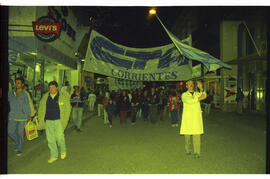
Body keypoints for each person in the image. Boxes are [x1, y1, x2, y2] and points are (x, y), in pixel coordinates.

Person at [38, 81, 71, 163]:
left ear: (57, 88)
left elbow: (68, 109)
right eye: (50, 88)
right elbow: (41, 109)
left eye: (53, 87)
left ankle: (63, 150)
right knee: (50, 139)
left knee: (60, 138)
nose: (51, 89)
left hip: (59, 121)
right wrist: (40, 120)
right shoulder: (45, 97)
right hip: (48, 121)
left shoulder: (63, 96)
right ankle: (54, 155)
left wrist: (65, 120)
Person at [180, 80, 206, 158]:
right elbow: (189, 101)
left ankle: (197, 152)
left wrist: (201, 88)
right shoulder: (184, 95)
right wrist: (199, 99)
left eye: (192, 84)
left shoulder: (197, 93)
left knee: (197, 135)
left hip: (196, 118)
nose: (191, 85)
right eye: (189, 84)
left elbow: (204, 95)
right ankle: (188, 150)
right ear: (186, 86)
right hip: (187, 118)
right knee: (187, 137)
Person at [8, 77, 31, 156]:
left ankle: (20, 148)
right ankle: (18, 142)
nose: (17, 84)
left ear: (22, 84)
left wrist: (29, 115)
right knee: (9, 131)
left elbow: (27, 105)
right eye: (16, 82)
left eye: (18, 83)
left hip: (22, 117)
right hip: (12, 116)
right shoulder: (10, 93)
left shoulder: (25, 95)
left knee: (20, 134)